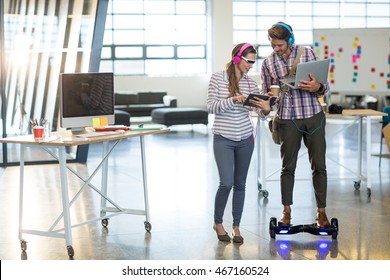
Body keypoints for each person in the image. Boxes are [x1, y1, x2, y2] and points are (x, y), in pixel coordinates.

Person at [260, 22, 330, 228]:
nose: (276, 49)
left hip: (313, 116)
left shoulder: (307, 54)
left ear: (290, 40)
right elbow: (266, 92)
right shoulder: (268, 63)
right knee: (287, 167)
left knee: (319, 165)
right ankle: (286, 212)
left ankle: (322, 212)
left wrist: (318, 86)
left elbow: (324, 87)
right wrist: (266, 101)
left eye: (280, 45)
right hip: (287, 119)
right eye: (273, 45)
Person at [207, 43, 271, 243]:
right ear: (236, 58)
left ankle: (236, 226)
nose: (251, 66)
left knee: (240, 184)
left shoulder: (251, 84)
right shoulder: (218, 78)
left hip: (245, 139)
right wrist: (234, 100)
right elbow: (211, 107)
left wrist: (266, 109)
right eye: (248, 61)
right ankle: (218, 222)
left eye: (253, 61)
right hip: (223, 138)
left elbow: (259, 114)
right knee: (226, 182)